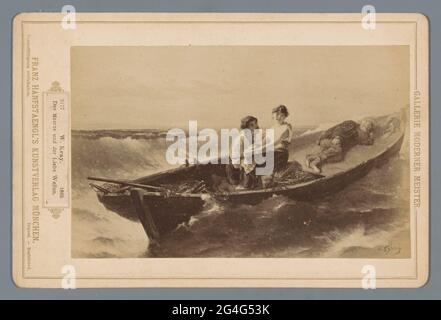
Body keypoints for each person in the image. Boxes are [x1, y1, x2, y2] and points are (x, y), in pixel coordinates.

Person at [305, 119, 374, 173]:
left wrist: (371, 136)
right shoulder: (352, 124)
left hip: (334, 144)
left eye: (367, 130)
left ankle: (311, 157)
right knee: (338, 150)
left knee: (339, 157)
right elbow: (339, 129)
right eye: (366, 127)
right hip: (328, 139)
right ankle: (314, 163)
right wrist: (337, 137)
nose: (365, 131)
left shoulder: (358, 136)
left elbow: (366, 142)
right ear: (362, 125)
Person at [226, 115, 262, 189]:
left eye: (255, 125)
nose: (254, 127)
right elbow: (235, 158)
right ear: (245, 127)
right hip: (236, 166)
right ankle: (244, 186)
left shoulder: (253, 137)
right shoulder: (240, 138)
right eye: (251, 125)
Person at [270, 105, 293, 173]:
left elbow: (278, 141)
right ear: (273, 116)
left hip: (281, 153)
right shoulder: (272, 127)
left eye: (282, 115)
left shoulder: (287, 127)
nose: (278, 117)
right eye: (276, 115)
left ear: (285, 116)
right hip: (273, 151)